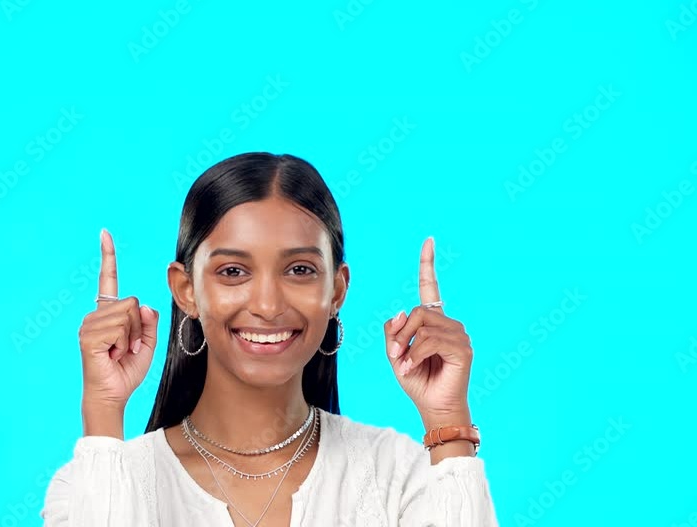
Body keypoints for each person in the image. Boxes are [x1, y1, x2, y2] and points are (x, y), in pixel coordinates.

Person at [41, 152, 499, 526]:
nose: (267, 303)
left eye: (299, 270)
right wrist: (103, 408)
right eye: (233, 271)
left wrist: (448, 420)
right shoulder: (86, 488)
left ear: (336, 289)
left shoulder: (398, 476)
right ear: (186, 290)